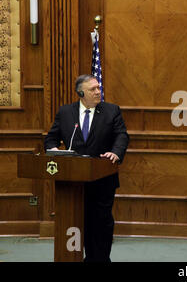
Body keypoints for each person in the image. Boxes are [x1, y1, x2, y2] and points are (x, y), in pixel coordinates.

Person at [44, 74, 129, 262]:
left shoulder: (111, 111)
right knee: (75, 221)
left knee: (100, 223)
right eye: (93, 89)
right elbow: (51, 138)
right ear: (80, 92)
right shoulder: (66, 112)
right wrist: (54, 150)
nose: (98, 91)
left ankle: (99, 260)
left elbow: (122, 135)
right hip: (72, 181)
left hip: (102, 178)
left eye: (99, 88)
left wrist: (115, 152)